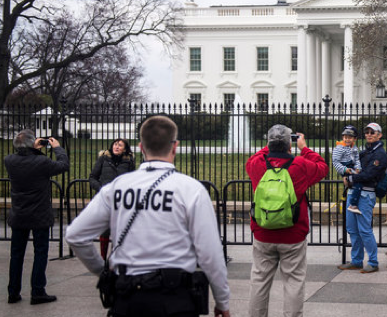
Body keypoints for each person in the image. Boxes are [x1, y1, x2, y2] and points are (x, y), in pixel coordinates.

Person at [66, 116, 231, 317]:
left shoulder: (117, 187)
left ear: (141, 147)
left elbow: (75, 235)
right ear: (175, 147)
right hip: (175, 296)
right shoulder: (191, 189)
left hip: (127, 295)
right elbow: (209, 253)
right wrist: (222, 301)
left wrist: (102, 271)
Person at [245, 124, 328, 317]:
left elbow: (256, 157)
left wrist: (271, 145)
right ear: (289, 145)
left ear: (268, 143)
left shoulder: (256, 165)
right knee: (293, 282)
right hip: (293, 234)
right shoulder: (300, 165)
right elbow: (323, 168)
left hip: (263, 232)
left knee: (259, 280)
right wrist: (303, 147)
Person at [5, 130, 69, 304]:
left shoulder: (9, 161)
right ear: (32, 144)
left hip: (19, 214)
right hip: (39, 214)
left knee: (16, 254)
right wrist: (57, 148)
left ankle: (13, 291)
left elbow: (26, 161)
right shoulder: (41, 162)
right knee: (40, 252)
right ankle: (37, 291)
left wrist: (32, 149)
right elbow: (63, 165)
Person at [338, 122, 387, 274]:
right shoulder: (365, 152)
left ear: (379, 135)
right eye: (367, 132)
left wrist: (351, 179)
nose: (369, 134)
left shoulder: (379, 154)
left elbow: (369, 174)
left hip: (366, 195)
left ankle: (373, 262)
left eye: (373, 132)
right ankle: (357, 260)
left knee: (364, 230)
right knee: (352, 229)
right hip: (354, 193)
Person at [89, 138, 136, 260]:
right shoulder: (103, 159)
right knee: (105, 230)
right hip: (105, 200)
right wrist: (101, 189)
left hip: (121, 201)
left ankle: (116, 258)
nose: (117, 147)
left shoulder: (129, 161)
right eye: (115, 144)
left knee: (119, 231)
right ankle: (103, 259)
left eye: (120, 145)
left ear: (125, 149)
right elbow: (92, 177)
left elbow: (132, 181)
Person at [332, 124, 363, 214]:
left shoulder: (354, 148)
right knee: (358, 183)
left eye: (350, 137)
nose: (347, 139)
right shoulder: (339, 148)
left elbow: (357, 159)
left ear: (355, 139)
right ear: (342, 137)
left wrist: (358, 168)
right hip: (344, 167)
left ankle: (353, 202)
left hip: (351, 166)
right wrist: (344, 170)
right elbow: (335, 162)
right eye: (345, 137)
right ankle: (353, 204)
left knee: (357, 181)